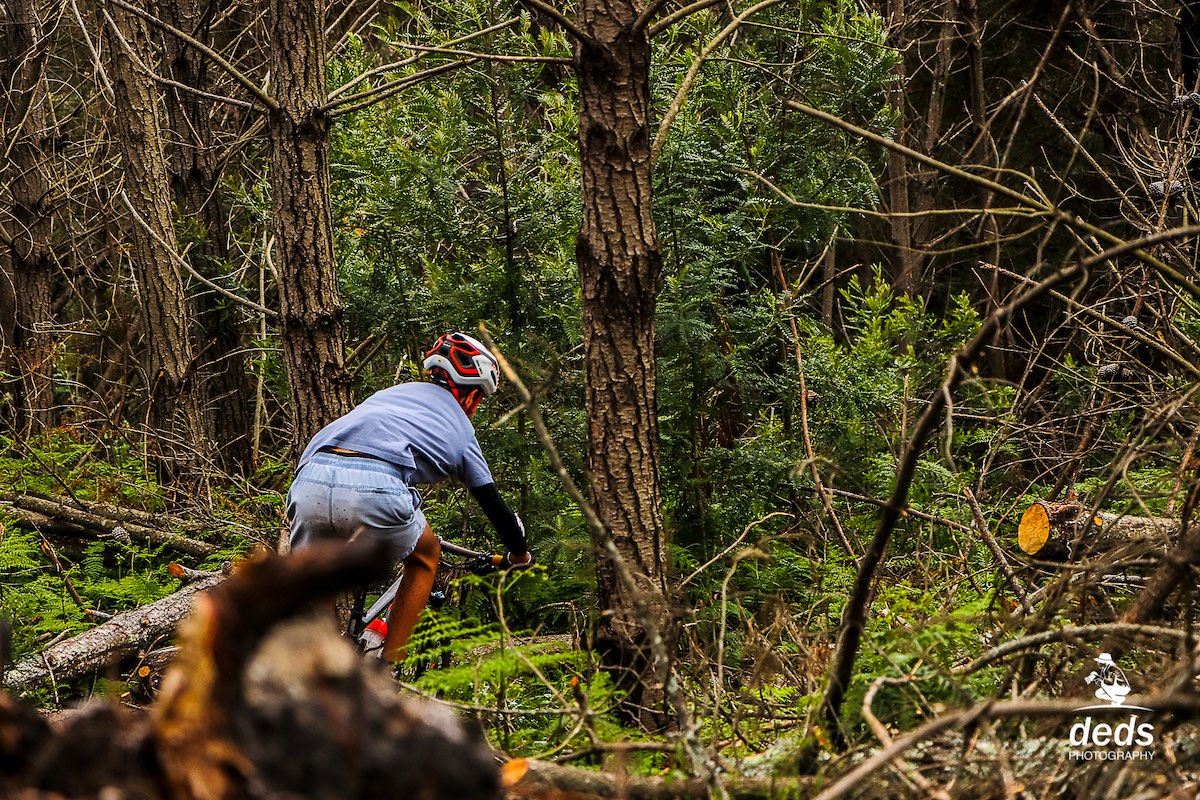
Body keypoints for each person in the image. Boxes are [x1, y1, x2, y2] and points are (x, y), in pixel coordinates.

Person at [286, 332, 532, 663]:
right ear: (473, 396)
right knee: (425, 556)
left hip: (309, 480)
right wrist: (519, 553)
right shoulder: (461, 427)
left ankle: (317, 672)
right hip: (376, 487)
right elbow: (494, 505)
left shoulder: (388, 395)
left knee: (319, 578)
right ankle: (386, 670)